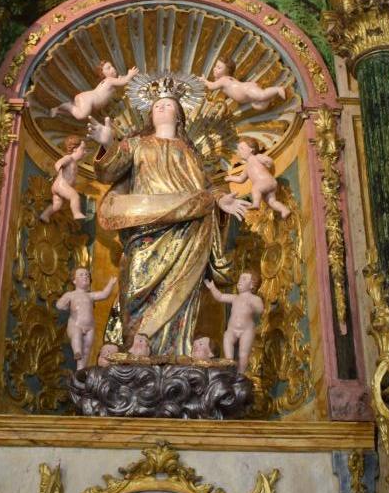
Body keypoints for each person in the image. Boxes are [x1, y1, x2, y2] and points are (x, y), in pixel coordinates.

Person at [88, 88, 250, 355]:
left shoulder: (190, 152)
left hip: (188, 231)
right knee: (135, 285)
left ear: (179, 117)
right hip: (146, 228)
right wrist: (108, 144)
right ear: (150, 116)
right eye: (157, 105)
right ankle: (135, 348)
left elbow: (206, 188)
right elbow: (108, 173)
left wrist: (221, 200)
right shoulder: (136, 144)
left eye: (168, 105)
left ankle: (177, 353)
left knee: (180, 292)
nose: (162, 108)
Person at [56, 268, 117, 370]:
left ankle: (80, 369)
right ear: (74, 281)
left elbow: (104, 294)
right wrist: (64, 305)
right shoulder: (70, 295)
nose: (85, 276)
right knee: (76, 336)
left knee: (87, 348)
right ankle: (77, 351)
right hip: (76, 324)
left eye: (87, 275)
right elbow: (59, 305)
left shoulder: (90, 295)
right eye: (81, 275)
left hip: (90, 327)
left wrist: (111, 283)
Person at [205, 272, 263, 373]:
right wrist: (212, 287)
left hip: (246, 331)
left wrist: (254, 304)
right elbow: (220, 297)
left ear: (252, 285)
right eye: (240, 278)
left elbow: (260, 310)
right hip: (232, 330)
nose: (240, 281)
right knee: (227, 337)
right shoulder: (235, 297)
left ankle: (240, 374)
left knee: (243, 355)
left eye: (244, 279)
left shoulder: (255, 299)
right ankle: (229, 361)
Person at [50, 61, 139, 121]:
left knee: (76, 113)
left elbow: (121, 80)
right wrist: (130, 74)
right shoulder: (109, 80)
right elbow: (124, 81)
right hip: (88, 99)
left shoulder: (111, 81)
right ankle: (67, 106)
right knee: (81, 115)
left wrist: (125, 77)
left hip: (87, 99)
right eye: (108, 68)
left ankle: (58, 111)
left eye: (112, 66)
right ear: (102, 73)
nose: (112, 68)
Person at [227, 137, 290, 219]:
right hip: (269, 184)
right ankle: (284, 210)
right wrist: (230, 178)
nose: (239, 152)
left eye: (242, 148)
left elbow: (269, 160)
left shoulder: (257, 157)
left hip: (265, 182)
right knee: (271, 202)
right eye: (239, 150)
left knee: (255, 188)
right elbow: (241, 179)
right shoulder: (246, 167)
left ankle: (256, 204)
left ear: (251, 149)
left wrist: (269, 166)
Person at [201, 58, 286, 111]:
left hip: (246, 89)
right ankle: (270, 97)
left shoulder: (224, 80)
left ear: (227, 71)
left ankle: (277, 89)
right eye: (215, 66)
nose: (215, 69)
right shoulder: (228, 79)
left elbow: (211, 86)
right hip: (247, 94)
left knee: (262, 95)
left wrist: (204, 80)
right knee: (259, 105)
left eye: (219, 67)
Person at [40, 136, 86, 222]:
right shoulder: (69, 158)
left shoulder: (74, 164)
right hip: (62, 185)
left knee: (57, 205)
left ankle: (45, 215)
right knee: (75, 196)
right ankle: (76, 213)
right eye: (82, 149)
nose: (85, 152)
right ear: (75, 149)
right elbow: (59, 162)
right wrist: (59, 166)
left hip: (58, 187)